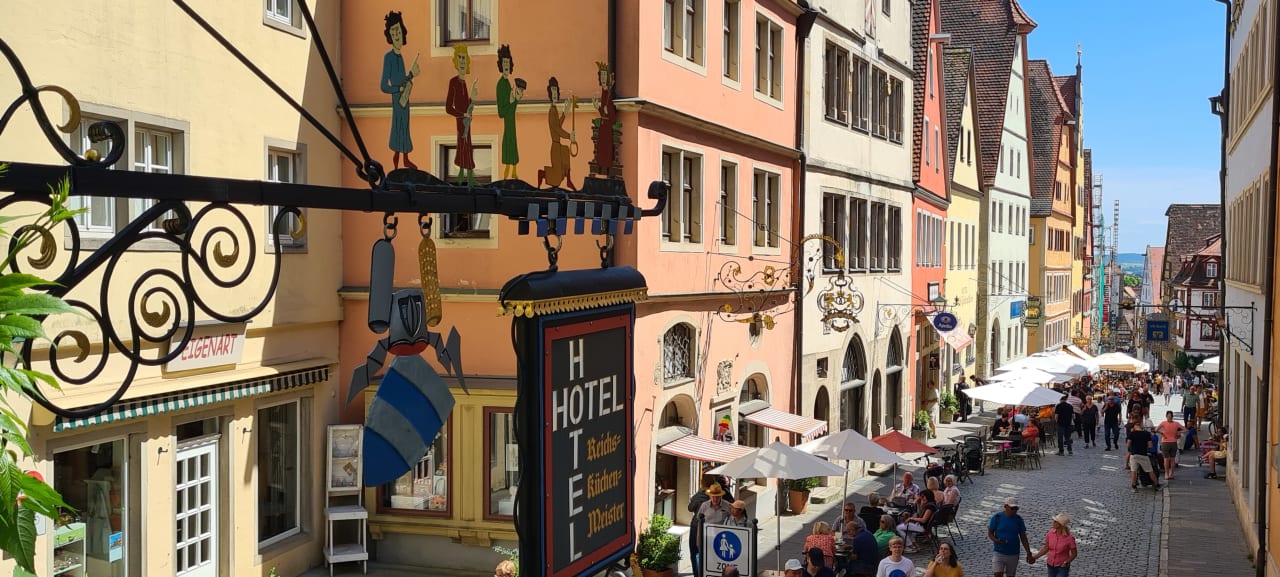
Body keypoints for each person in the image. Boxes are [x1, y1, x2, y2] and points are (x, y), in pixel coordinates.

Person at [379, 11, 420, 170]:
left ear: (403, 32)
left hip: (405, 98)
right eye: (393, 31)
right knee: (397, 128)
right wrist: (398, 89)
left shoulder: (401, 57)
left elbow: (402, 79)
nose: (396, 34)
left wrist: (411, 75)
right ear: (389, 35)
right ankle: (396, 164)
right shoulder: (388, 57)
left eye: (398, 30)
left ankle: (405, 159)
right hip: (397, 99)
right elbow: (384, 85)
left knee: (405, 127)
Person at [445, 44, 480, 185]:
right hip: (461, 122)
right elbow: (448, 107)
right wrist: (462, 115)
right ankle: (462, 178)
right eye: (460, 58)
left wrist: (471, 98)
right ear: (455, 61)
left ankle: (468, 178)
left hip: (466, 122)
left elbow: (466, 106)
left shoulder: (464, 83)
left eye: (464, 59)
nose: (462, 62)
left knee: (467, 146)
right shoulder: (453, 82)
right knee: (462, 146)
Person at [537, 77, 577, 190]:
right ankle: (542, 174)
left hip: (558, 145)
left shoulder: (554, 109)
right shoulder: (551, 111)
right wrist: (569, 136)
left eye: (556, 91)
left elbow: (558, 125)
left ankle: (569, 180)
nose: (555, 94)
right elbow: (556, 129)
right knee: (557, 177)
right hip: (555, 146)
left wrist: (565, 112)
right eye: (552, 91)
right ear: (550, 93)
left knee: (565, 152)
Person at [495, 44, 525, 180]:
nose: (506, 65)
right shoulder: (501, 85)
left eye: (508, 62)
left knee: (513, 140)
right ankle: (507, 174)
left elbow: (510, 105)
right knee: (509, 140)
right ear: (501, 65)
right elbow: (502, 111)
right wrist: (515, 101)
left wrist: (515, 100)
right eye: (504, 62)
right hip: (508, 121)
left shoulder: (508, 83)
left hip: (511, 121)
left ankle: (513, 171)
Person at [988, 497, 1032, 577]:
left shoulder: (1018, 519)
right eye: (1012, 508)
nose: (1014, 510)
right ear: (1005, 506)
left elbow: (1023, 537)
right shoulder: (997, 518)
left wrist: (1028, 552)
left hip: (1013, 553)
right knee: (997, 574)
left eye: (1016, 508)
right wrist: (997, 540)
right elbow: (990, 533)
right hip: (999, 552)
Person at [1127, 422, 1161, 491]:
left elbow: (1128, 444)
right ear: (1141, 426)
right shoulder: (1146, 434)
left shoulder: (1132, 434)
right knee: (1150, 470)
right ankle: (1156, 484)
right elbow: (1150, 445)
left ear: (1134, 426)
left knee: (1133, 471)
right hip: (1143, 455)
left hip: (1134, 455)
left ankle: (1134, 487)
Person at [1154, 411, 1187, 480]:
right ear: (1172, 417)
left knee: (1166, 459)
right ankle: (1171, 473)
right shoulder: (1176, 424)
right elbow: (1185, 429)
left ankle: (1166, 474)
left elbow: (1156, 430)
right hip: (1173, 442)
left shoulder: (1163, 423)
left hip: (1165, 442)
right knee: (1172, 459)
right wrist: (1178, 432)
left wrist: (1162, 433)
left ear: (1166, 416)